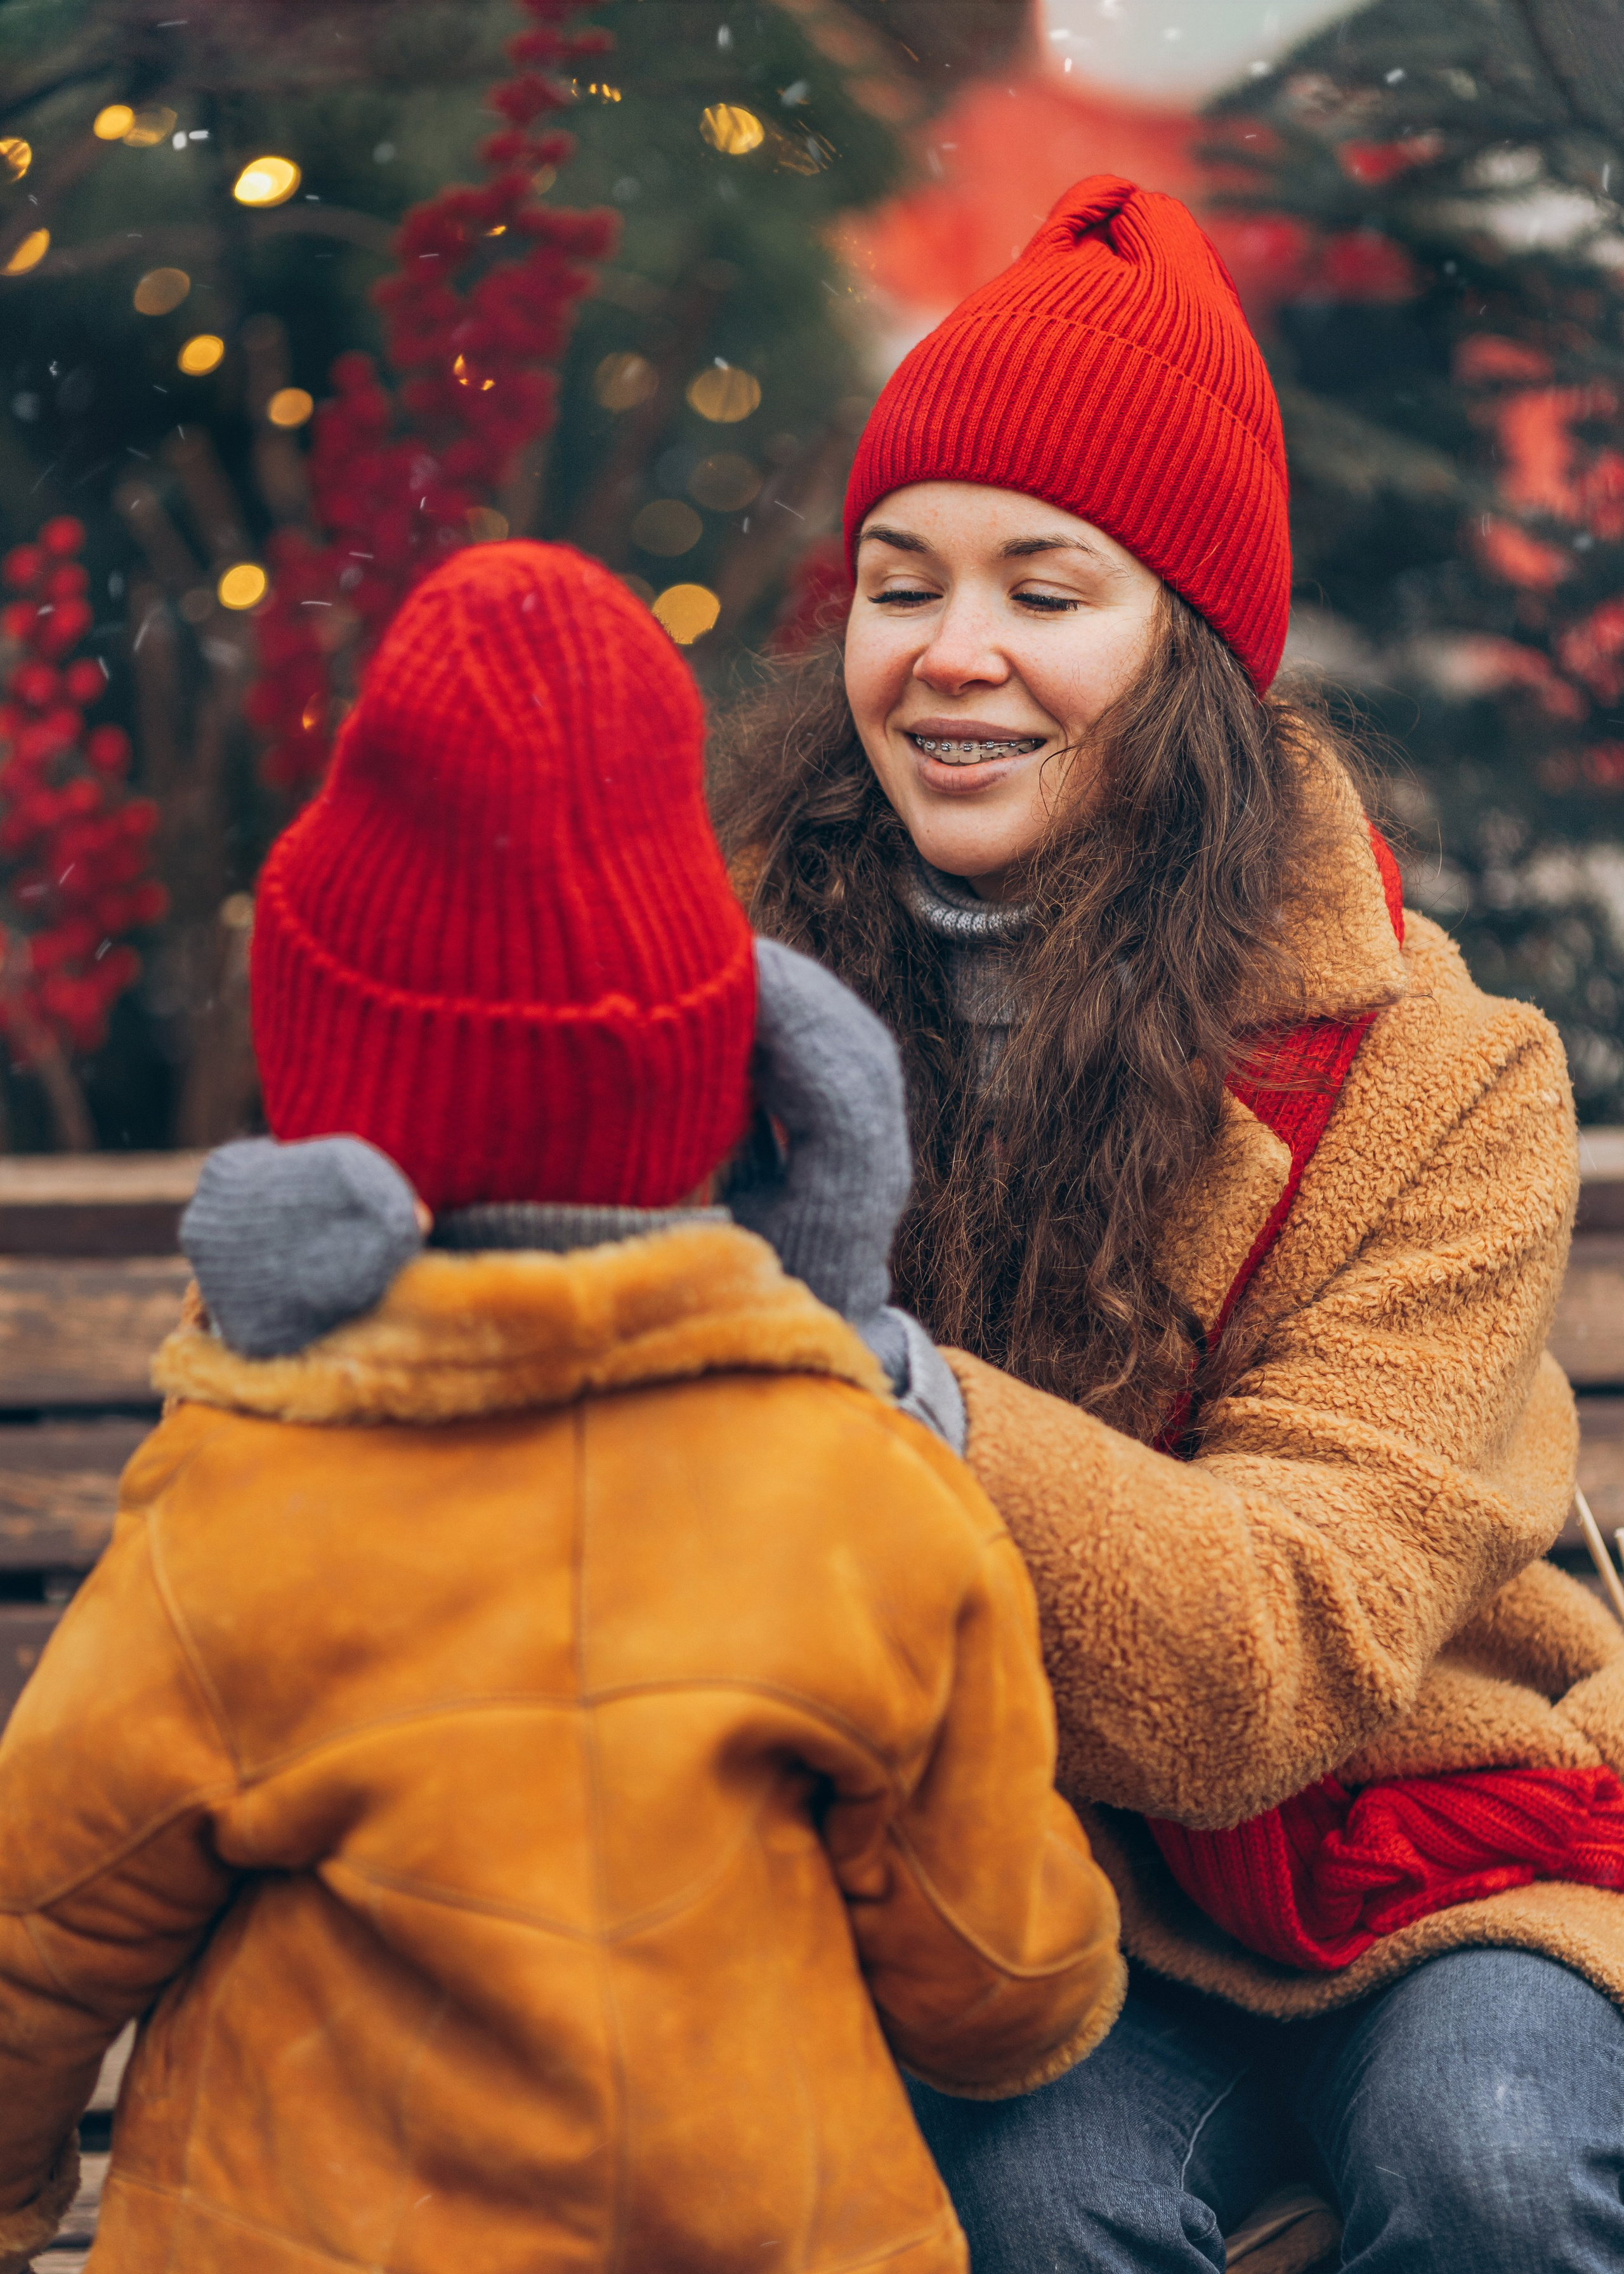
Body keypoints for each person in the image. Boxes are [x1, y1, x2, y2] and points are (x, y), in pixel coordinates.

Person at [0, 541, 1123, 2274]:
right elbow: (1002, 1981)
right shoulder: (858, 1487)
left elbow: (43, 1923)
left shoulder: (246, 1491)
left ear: (335, 1131)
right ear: (732, 1073)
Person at [703, 176, 1624, 2273]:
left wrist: (888, 1390)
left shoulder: (1447, 1081)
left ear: (1188, 649)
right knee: (1041, 2206)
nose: (952, 658)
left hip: (1420, 1856)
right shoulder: (742, 1010)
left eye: (1048, 590)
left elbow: (1273, 1657)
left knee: (1492, 2160)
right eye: (896, 580)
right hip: (1005, 1881)